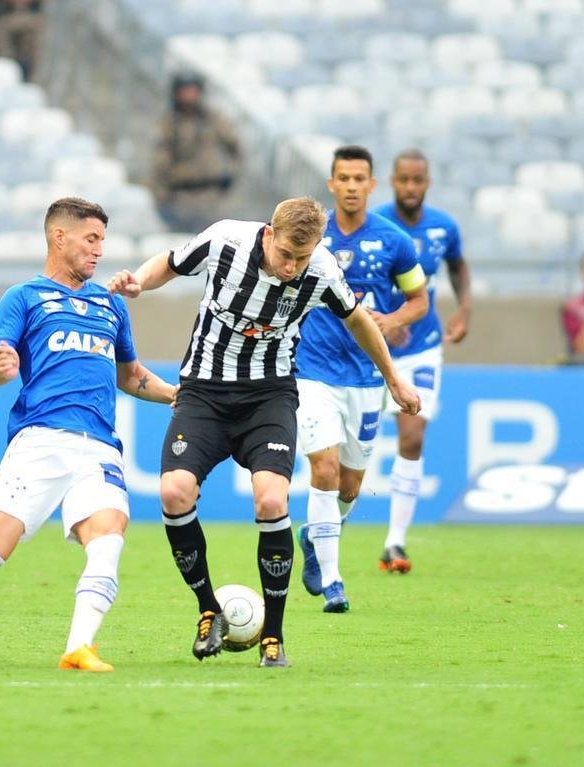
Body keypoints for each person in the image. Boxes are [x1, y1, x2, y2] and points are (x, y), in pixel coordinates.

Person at [107, 197, 421, 668]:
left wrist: (394, 377)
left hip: (268, 397)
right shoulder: (225, 239)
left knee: (272, 501)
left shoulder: (322, 270)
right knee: (173, 492)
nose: (293, 267)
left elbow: (357, 319)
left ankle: (273, 637)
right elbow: (171, 264)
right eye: (286, 255)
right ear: (269, 235)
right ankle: (208, 610)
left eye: (303, 256)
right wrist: (138, 282)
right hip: (204, 392)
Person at [0, 197, 177, 672]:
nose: (100, 250)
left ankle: (78, 648)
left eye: (103, 240)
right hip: (41, 439)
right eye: (91, 239)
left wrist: (174, 394)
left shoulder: (110, 305)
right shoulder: (23, 297)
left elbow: (130, 374)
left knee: (108, 537)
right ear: (59, 237)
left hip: (99, 446)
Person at [293, 145, 428, 613]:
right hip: (312, 371)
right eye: (343, 178)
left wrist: (390, 321)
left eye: (359, 179)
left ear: (372, 185)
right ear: (331, 184)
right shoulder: (312, 237)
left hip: (367, 378)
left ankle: (316, 537)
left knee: (349, 487)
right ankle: (332, 581)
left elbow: (419, 301)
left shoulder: (393, 241)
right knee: (324, 471)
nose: (351, 186)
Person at [372, 149, 473, 575]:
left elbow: (458, 267)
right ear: (392, 182)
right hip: (371, 346)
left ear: (427, 183)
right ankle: (327, 530)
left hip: (422, 344)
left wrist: (464, 309)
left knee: (412, 438)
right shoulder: (375, 224)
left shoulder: (443, 227)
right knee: (346, 451)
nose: (411, 188)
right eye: (404, 180)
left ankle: (395, 542)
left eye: (418, 180)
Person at [151, 72, 241, 233]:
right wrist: (161, 194)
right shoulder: (169, 123)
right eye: (185, 91)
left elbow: (235, 148)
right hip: (181, 195)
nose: (189, 95)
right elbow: (160, 162)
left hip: (211, 195)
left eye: (192, 90)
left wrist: (230, 176)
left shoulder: (214, 119)